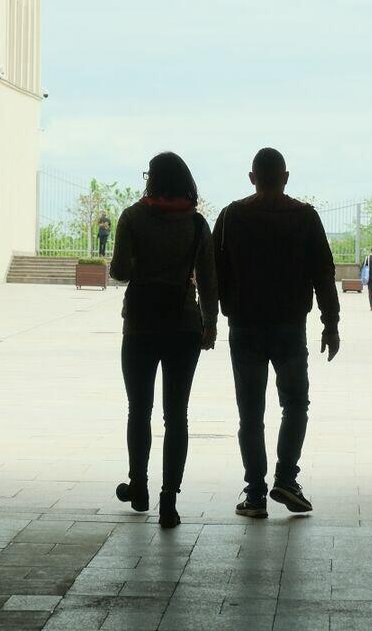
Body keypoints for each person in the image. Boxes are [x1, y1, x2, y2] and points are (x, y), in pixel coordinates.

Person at [214, 148, 340, 519]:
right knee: (296, 404)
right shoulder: (305, 217)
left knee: (250, 413)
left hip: (244, 327)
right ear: (285, 177)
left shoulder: (231, 216)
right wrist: (330, 322)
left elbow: (213, 271)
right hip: (290, 327)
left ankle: (255, 494)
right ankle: (286, 478)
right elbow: (323, 273)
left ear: (252, 178)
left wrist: (212, 315)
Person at [108, 152, 217, 529]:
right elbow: (209, 280)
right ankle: (169, 500)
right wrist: (210, 323)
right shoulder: (197, 224)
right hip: (184, 324)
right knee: (177, 415)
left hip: (140, 324)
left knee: (139, 409)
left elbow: (120, 271)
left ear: (152, 179)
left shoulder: (132, 217)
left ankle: (138, 487)